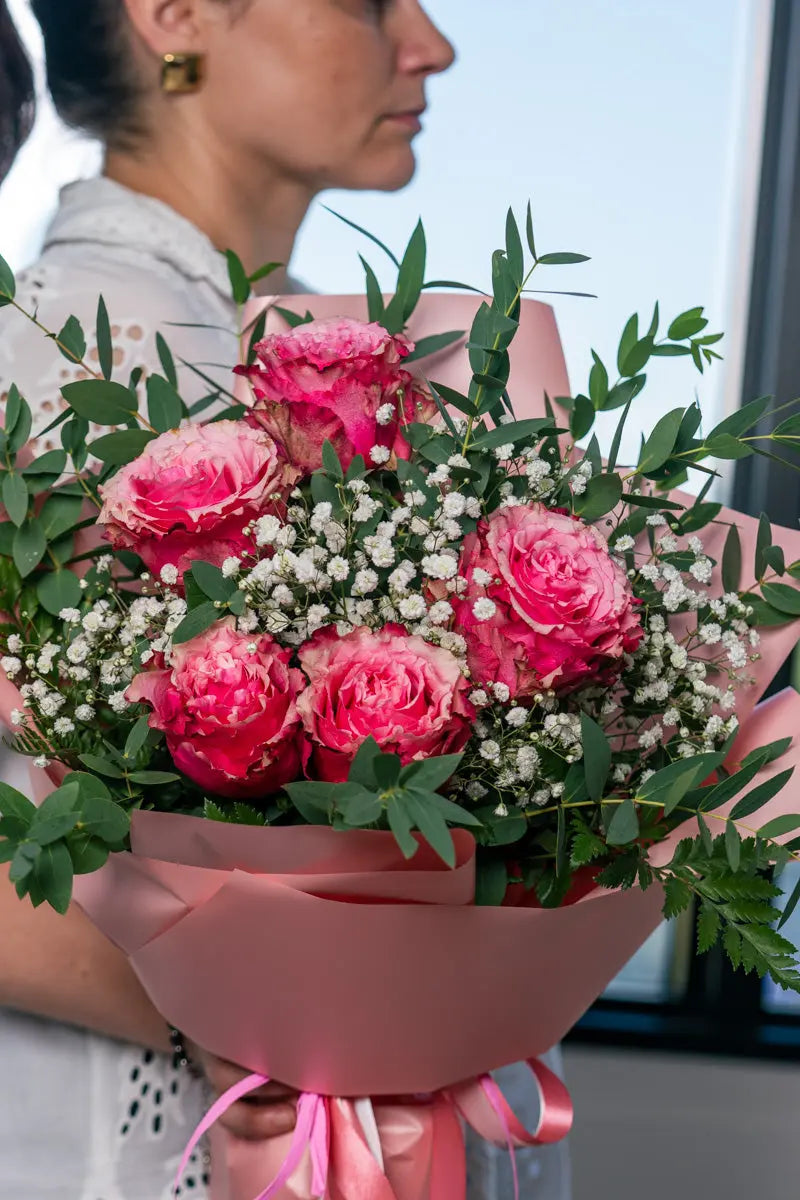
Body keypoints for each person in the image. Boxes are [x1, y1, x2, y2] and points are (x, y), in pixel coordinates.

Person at [0, 2, 571, 1196]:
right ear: (175, 14)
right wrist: (305, 1017)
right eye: (367, 0)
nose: (430, 43)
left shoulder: (386, 362)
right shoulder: (40, 355)